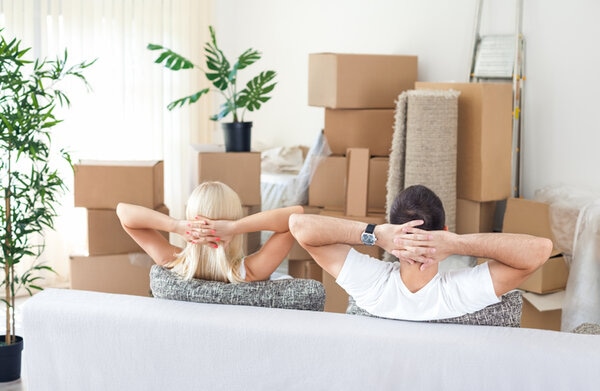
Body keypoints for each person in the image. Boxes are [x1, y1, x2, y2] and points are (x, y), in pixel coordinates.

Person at [288, 184, 553, 321]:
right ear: (445, 229)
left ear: (394, 228)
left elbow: (299, 225)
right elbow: (541, 249)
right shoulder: (459, 294)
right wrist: (456, 243)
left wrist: (376, 234)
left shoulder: (371, 287)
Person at [116, 181, 303, 283]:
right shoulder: (251, 272)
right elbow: (295, 218)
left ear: (191, 219)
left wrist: (176, 225)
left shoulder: (172, 263)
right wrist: (235, 227)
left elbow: (124, 213)